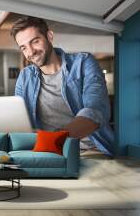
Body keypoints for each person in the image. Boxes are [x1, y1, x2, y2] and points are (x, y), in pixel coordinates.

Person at [11, 16, 114, 156]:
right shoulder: (25, 77)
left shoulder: (83, 63)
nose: (30, 52)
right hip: (48, 152)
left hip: (90, 150)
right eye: (23, 47)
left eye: (35, 41)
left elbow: (96, 110)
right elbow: (20, 120)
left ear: (49, 36)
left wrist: (55, 140)